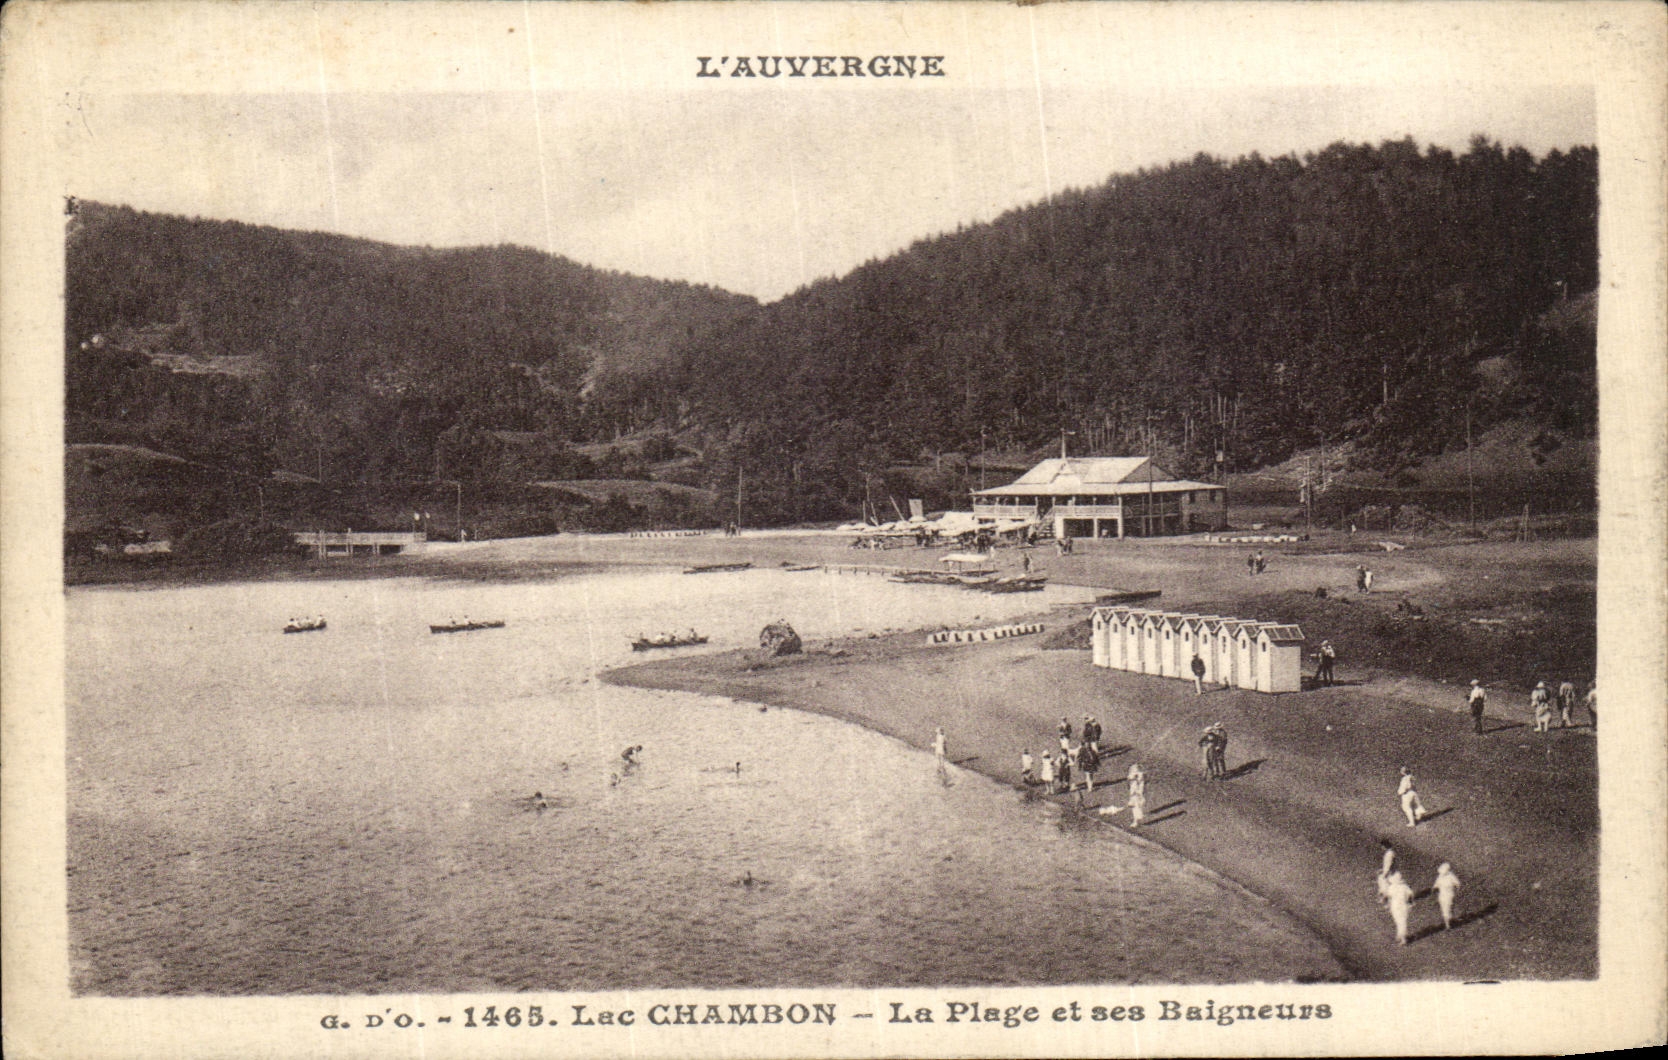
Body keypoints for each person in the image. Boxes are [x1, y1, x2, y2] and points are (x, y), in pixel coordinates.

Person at [1384, 870, 1415, 945]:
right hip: (1403, 905)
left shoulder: (1391, 887)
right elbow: (1411, 895)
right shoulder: (1405, 887)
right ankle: (1400, 935)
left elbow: (1388, 897)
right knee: (1402, 921)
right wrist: (1410, 903)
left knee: (1399, 921)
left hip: (1396, 905)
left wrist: (1387, 904)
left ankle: (1403, 938)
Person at [1433, 862, 1462, 930]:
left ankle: (1449, 921)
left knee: (1450, 907)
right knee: (1445, 909)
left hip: (1449, 895)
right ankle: (1447, 924)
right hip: (1444, 895)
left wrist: (1456, 889)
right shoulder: (1441, 877)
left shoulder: (1451, 876)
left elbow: (1458, 884)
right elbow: (1436, 886)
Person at [1376, 840, 1397, 904]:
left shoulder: (1389, 854)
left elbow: (1388, 864)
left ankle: (1385, 899)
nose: (1382, 848)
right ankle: (1385, 899)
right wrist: (1382, 870)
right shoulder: (1391, 853)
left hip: (1389, 873)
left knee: (1384, 885)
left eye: (1382, 846)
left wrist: (1385, 873)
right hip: (1389, 872)